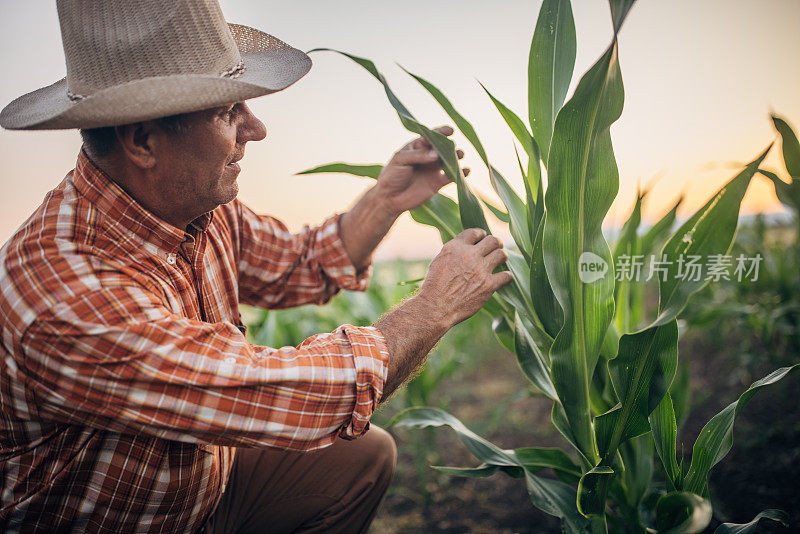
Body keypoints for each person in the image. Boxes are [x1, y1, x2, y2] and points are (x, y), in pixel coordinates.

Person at [0, 1, 513, 532]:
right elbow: (280, 393)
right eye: (228, 112)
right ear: (143, 141)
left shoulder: (194, 207)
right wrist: (432, 309)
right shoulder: (65, 299)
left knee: (363, 458)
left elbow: (298, 262)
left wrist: (384, 201)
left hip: (204, 490)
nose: (257, 128)